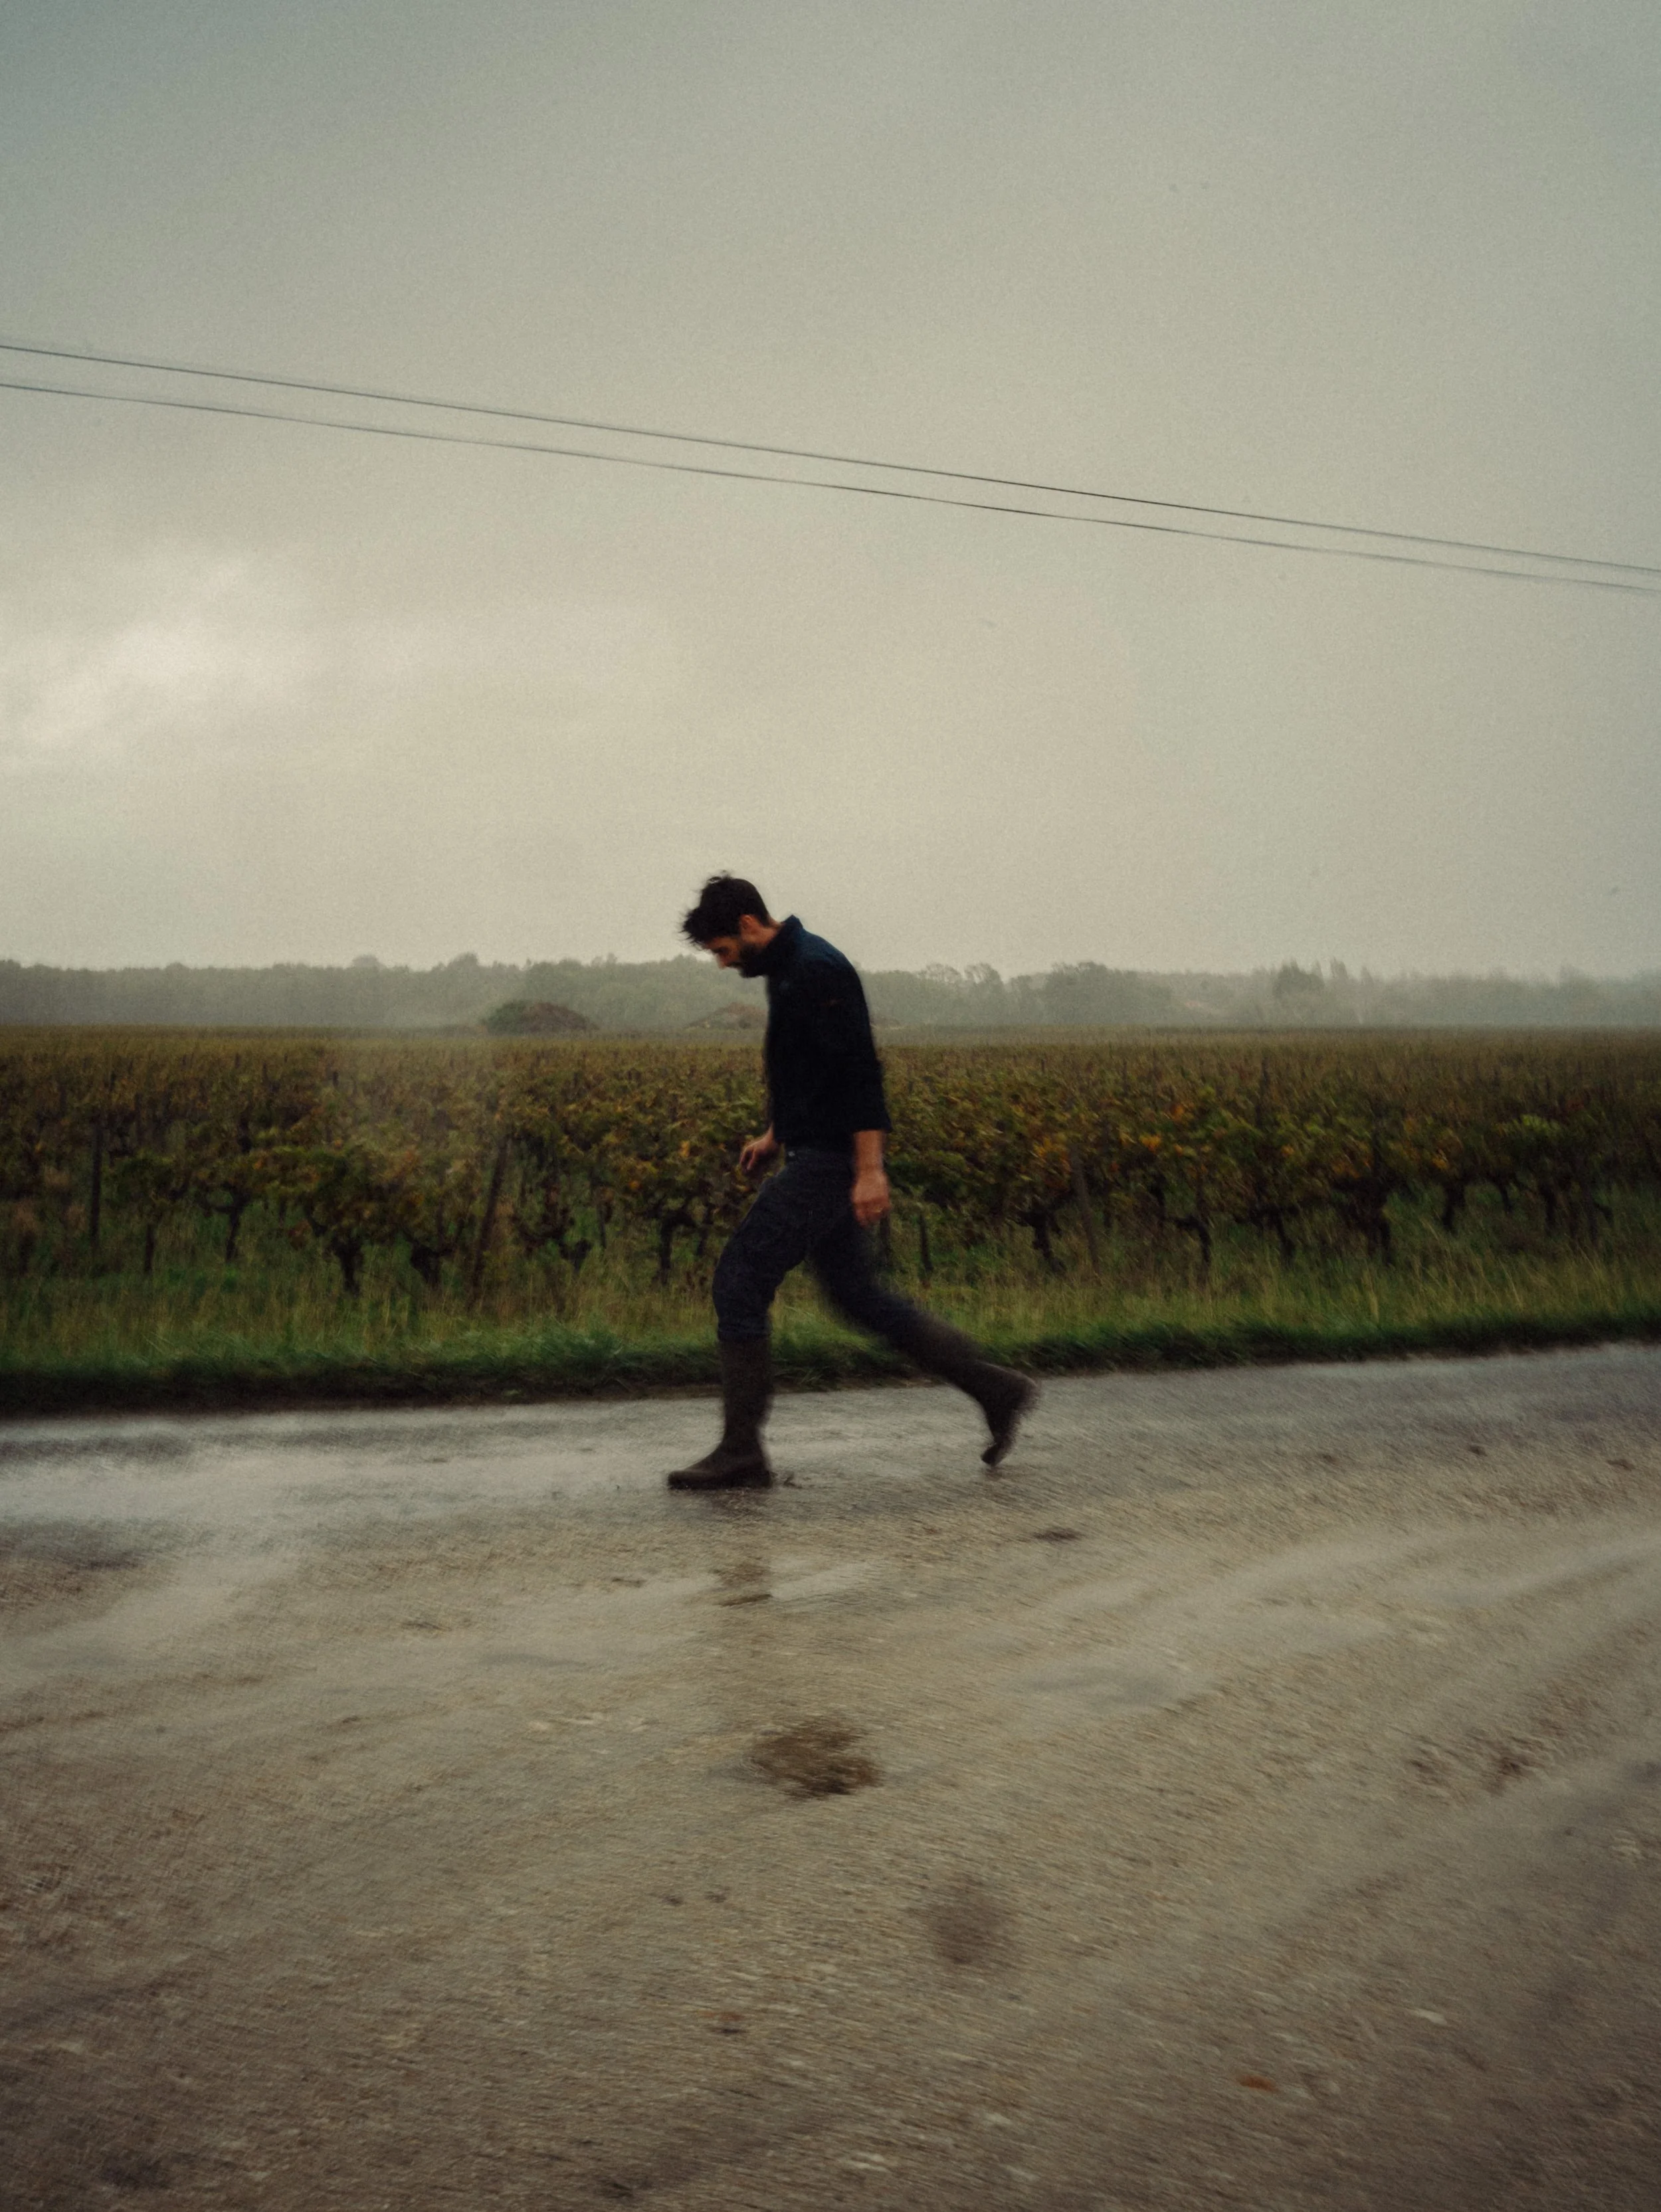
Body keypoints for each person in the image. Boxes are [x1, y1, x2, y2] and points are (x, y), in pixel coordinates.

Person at [667, 874, 1035, 1491]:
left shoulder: (817, 970)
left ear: (749, 926)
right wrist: (775, 1134)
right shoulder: (786, 970)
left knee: (739, 1280)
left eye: (723, 951)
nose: (723, 965)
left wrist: (869, 1170)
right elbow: (808, 1071)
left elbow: (859, 1075)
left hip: (831, 1162)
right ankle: (996, 1389)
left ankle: (741, 1451)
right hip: (813, 1150)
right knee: (856, 1296)